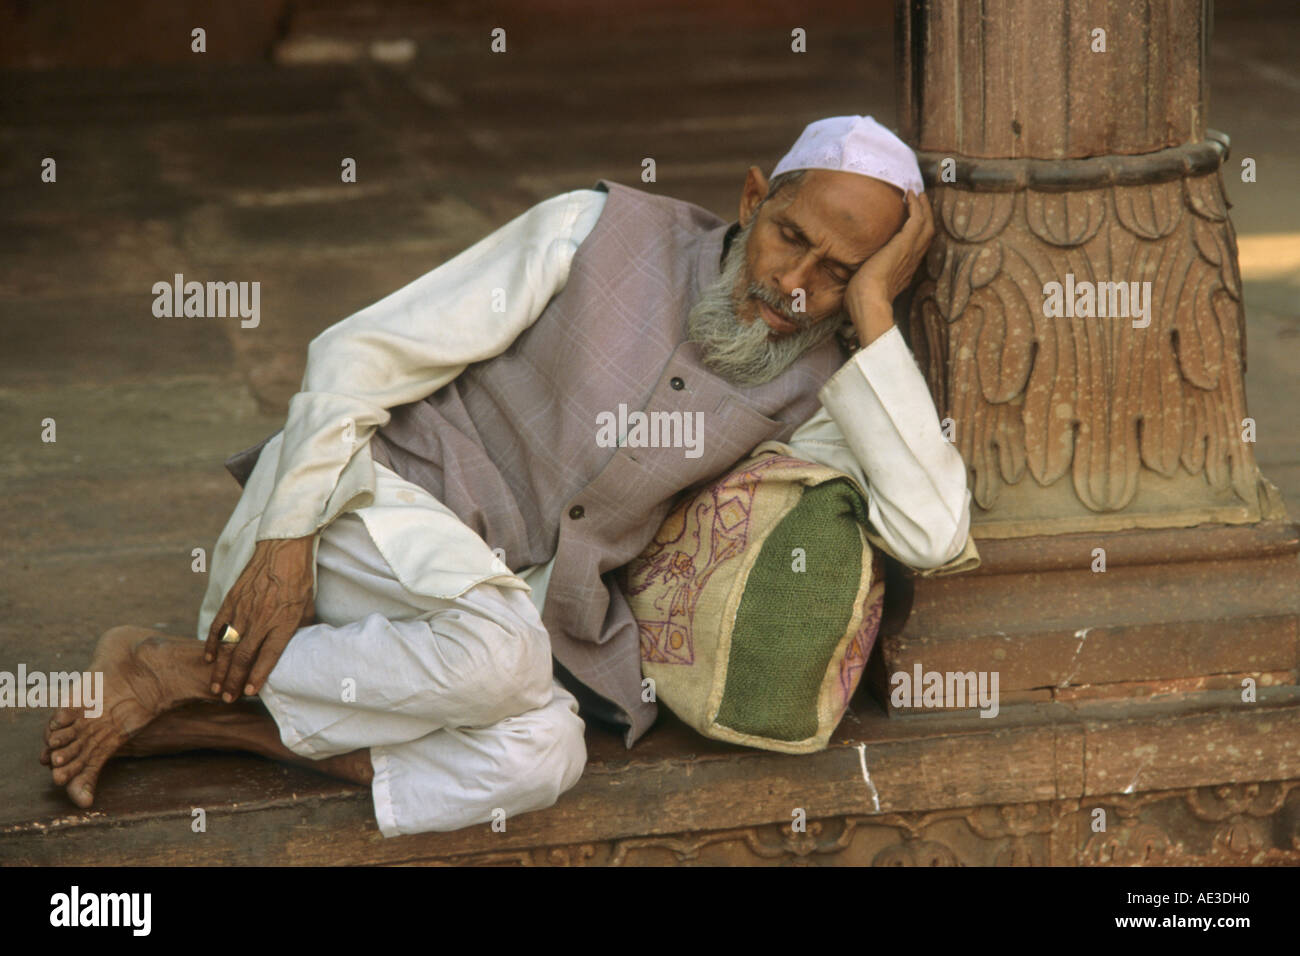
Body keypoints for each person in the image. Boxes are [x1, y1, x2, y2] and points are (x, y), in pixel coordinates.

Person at [41, 115, 976, 837]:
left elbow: (933, 533)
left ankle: (199, 705)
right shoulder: (594, 230)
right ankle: (189, 665)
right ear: (751, 199)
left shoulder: (817, 383)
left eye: (836, 272)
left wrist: (872, 316)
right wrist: (284, 538)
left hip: (467, 625)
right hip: (365, 515)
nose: (794, 284)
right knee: (506, 659)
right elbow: (357, 354)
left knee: (546, 751)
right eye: (789, 238)